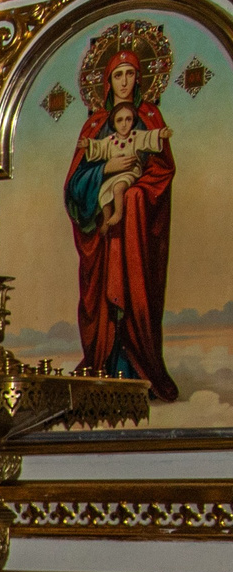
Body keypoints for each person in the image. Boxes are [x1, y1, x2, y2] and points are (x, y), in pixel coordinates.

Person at [67, 45, 179, 398]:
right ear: (107, 81)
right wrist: (105, 169)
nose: (125, 81)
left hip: (136, 234)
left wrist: (135, 195)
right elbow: (74, 185)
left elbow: (162, 170)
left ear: (140, 77)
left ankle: (138, 366)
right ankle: (102, 363)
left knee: (129, 199)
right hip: (103, 234)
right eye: (118, 74)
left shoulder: (148, 116)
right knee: (100, 300)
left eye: (130, 73)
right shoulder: (96, 125)